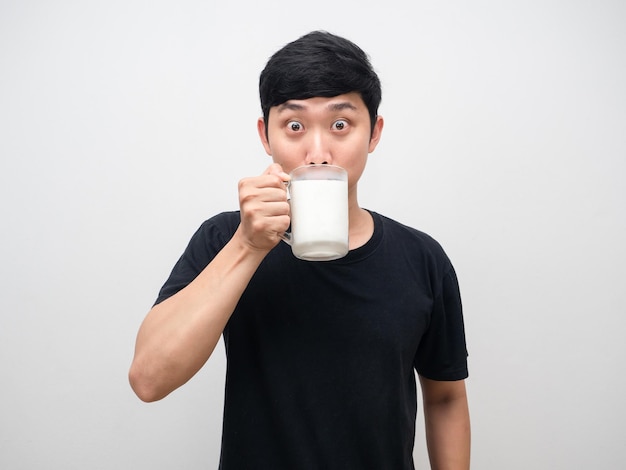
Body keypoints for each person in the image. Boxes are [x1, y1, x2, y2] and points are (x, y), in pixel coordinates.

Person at [129, 30, 470, 469]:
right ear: (265, 136)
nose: (317, 152)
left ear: (374, 133)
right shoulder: (223, 241)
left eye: (340, 125)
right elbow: (149, 379)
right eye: (294, 126)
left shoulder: (422, 258)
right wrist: (249, 246)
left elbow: (445, 398)